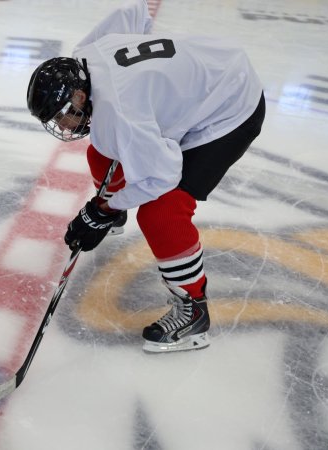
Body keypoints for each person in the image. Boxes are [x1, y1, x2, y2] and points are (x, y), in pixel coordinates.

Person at [27, 0, 265, 353]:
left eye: (64, 116)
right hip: (216, 67)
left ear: (79, 94)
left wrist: (103, 209)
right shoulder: (86, 56)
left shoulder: (119, 112)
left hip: (231, 108)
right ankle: (116, 212)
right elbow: (134, 13)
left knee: (162, 212)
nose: (64, 126)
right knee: (100, 151)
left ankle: (194, 312)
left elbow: (162, 176)